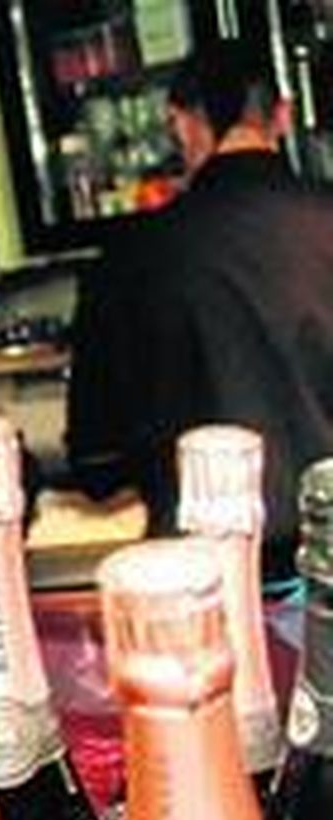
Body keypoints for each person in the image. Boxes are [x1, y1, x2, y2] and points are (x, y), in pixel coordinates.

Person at [67, 41, 333, 579]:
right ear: (282, 115)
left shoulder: (128, 257)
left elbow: (96, 462)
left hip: (205, 579)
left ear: (183, 123)